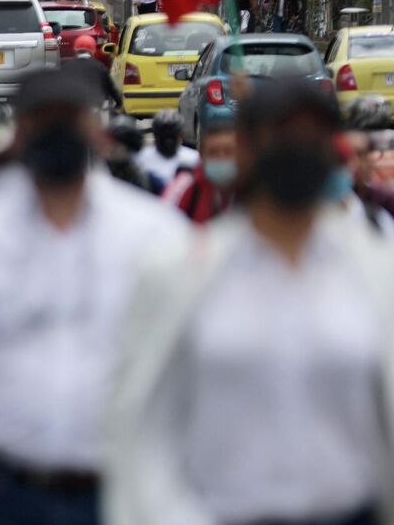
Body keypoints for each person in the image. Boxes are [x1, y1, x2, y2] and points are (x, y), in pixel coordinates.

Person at [108, 79, 394, 525]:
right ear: (246, 150)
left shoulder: (375, 270)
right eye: (280, 134)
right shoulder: (181, 273)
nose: (295, 149)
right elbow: (142, 428)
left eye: (311, 136)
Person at [0, 68, 188, 525]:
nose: (59, 134)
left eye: (71, 119)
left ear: (96, 129)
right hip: (3, 490)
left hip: (121, 492)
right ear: (19, 133)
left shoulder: (154, 237)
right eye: (44, 120)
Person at [161, 115, 238, 223]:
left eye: (228, 151)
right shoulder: (186, 189)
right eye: (213, 152)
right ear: (202, 156)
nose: (221, 158)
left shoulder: (261, 193)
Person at [135, 110, 198, 190]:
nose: (168, 142)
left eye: (172, 137)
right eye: (164, 137)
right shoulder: (140, 159)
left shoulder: (193, 159)